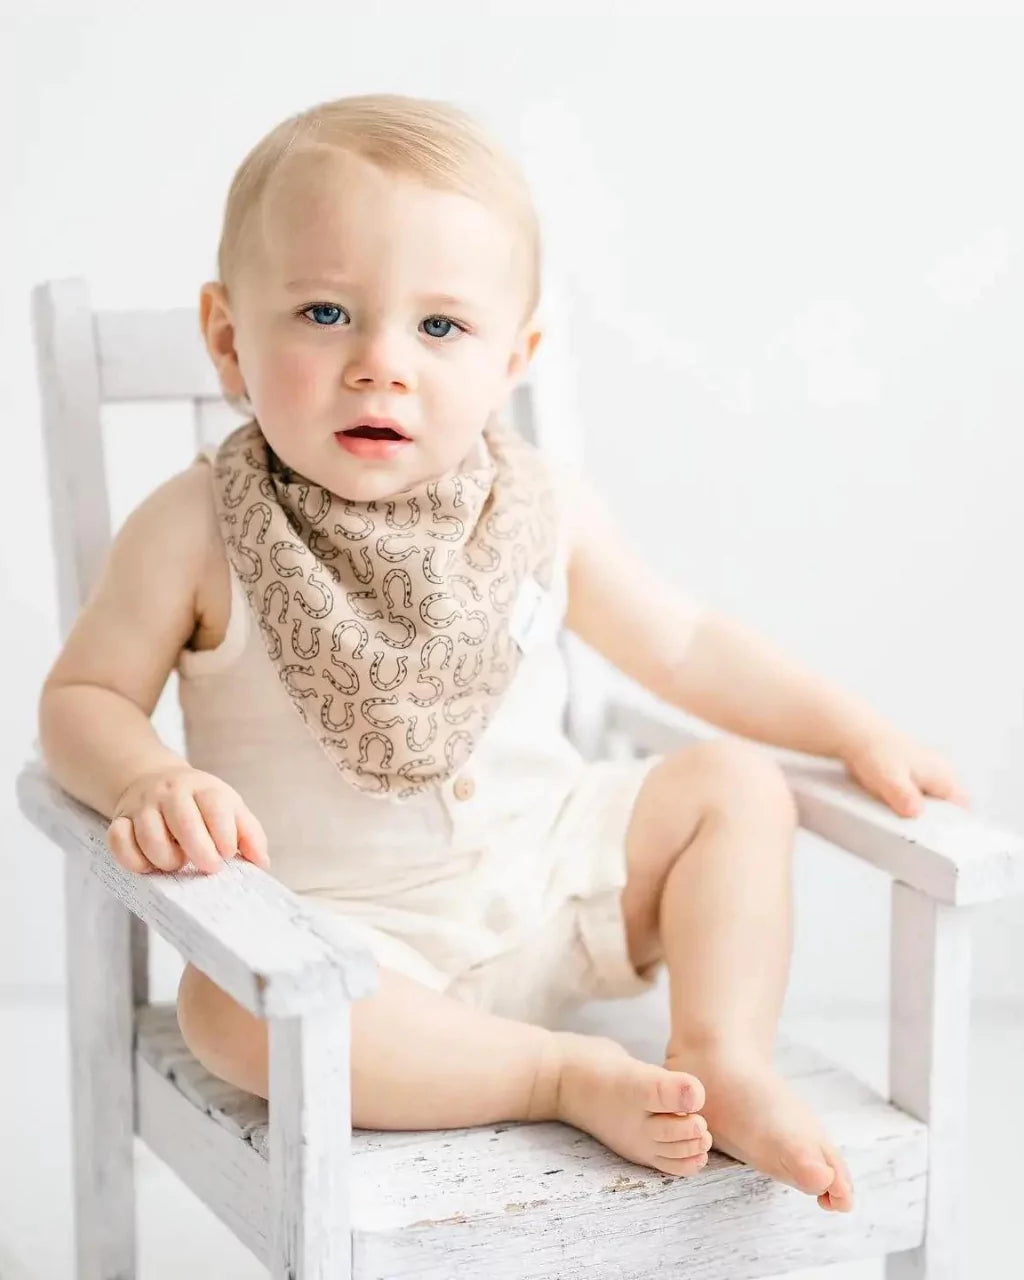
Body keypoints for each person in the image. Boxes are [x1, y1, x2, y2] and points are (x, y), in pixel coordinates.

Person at [37, 93, 969, 1214]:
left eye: (440, 327)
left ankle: (721, 1048)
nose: (382, 364)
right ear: (229, 336)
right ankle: (555, 1074)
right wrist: (145, 773)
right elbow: (82, 694)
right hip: (354, 943)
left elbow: (682, 641)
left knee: (733, 786)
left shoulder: (537, 505)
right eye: (326, 312)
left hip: (557, 881)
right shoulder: (193, 527)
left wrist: (847, 727)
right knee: (227, 1008)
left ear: (513, 357)